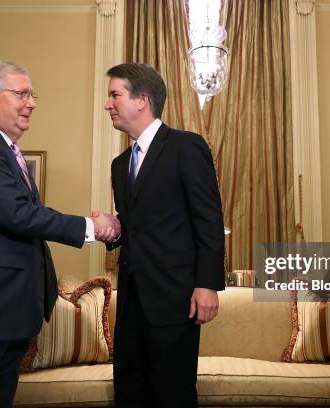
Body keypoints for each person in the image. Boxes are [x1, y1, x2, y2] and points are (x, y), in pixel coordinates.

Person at [0, 59, 120, 407]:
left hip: (5, 317)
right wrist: (93, 227)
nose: (32, 102)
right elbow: (18, 215)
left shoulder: (4, 151)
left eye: (33, 95)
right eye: (22, 93)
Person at [104, 63, 225, 407]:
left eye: (115, 95)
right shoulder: (120, 164)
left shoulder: (186, 147)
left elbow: (208, 220)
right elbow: (138, 227)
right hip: (130, 303)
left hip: (175, 301)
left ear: (142, 100)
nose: (107, 104)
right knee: (129, 393)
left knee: (173, 395)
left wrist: (207, 284)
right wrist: (113, 229)